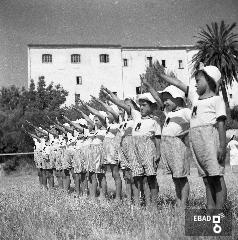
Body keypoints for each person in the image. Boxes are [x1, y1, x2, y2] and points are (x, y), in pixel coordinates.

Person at [157, 63, 227, 212]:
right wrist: (162, 76)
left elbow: (221, 123)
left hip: (210, 139)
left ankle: (220, 213)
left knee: (217, 177)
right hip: (197, 141)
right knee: (206, 178)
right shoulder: (195, 97)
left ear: (210, 81)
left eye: (198, 80)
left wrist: (222, 146)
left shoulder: (216, 100)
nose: (195, 84)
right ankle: (210, 209)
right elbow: (178, 83)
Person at [142, 79, 191, 208]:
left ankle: (183, 204)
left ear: (178, 98)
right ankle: (178, 201)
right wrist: (149, 86)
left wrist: (186, 132)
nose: (165, 102)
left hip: (178, 146)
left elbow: (197, 122)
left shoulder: (185, 112)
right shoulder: (169, 113)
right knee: (175, 177)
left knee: (181, 177)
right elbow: (158, 99)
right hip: (167, 147)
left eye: (168, 99)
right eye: (164, 100)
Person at [121, 92, 161, 206]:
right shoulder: (137, 116)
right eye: (140, 105)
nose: (141, 107)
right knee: (138, 177)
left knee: (150, 177)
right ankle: (138, 204)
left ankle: (151, 204)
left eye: (144, 105)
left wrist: (158, 152)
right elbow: (124, 106)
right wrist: (109, 95)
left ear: (152, 106)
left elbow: (158, 137)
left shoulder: (155, 120)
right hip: (135, 148)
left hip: (148, 148)